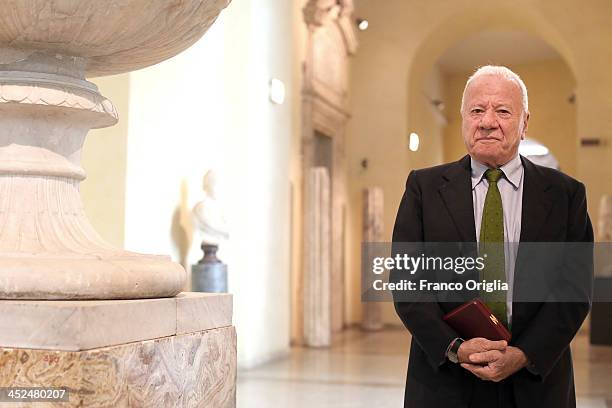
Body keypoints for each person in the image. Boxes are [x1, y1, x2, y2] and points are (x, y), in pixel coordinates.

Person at [391, 65, 593, 408]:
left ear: (524, 122)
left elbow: (574, 289)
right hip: (444, 381)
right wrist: (454, 348)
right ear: (463, 119)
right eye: (476, 110)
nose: (487, 121)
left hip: (535, 382)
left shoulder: (565, 194)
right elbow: (407, 280)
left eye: (502, 110)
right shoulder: (423, 188)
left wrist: (524, 354)